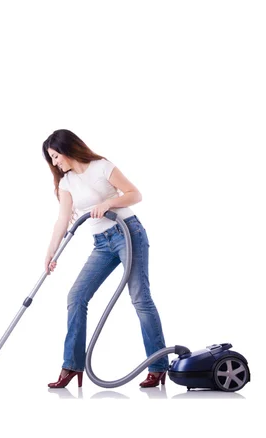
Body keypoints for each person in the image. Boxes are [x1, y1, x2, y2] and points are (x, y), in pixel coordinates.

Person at [42, 129, 168, 389]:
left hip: (128, 233)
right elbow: (63, 220)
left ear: (67, 149)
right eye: (52, 159)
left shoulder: (101, 167)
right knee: (76, 297)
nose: (55, 163)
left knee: (140, 298)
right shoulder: (66, 183)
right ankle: (71, 366)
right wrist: (50, 253)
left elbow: (135, 194)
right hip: (102, 244)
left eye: (56, 156)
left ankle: (157, 367)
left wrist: (109, 204)